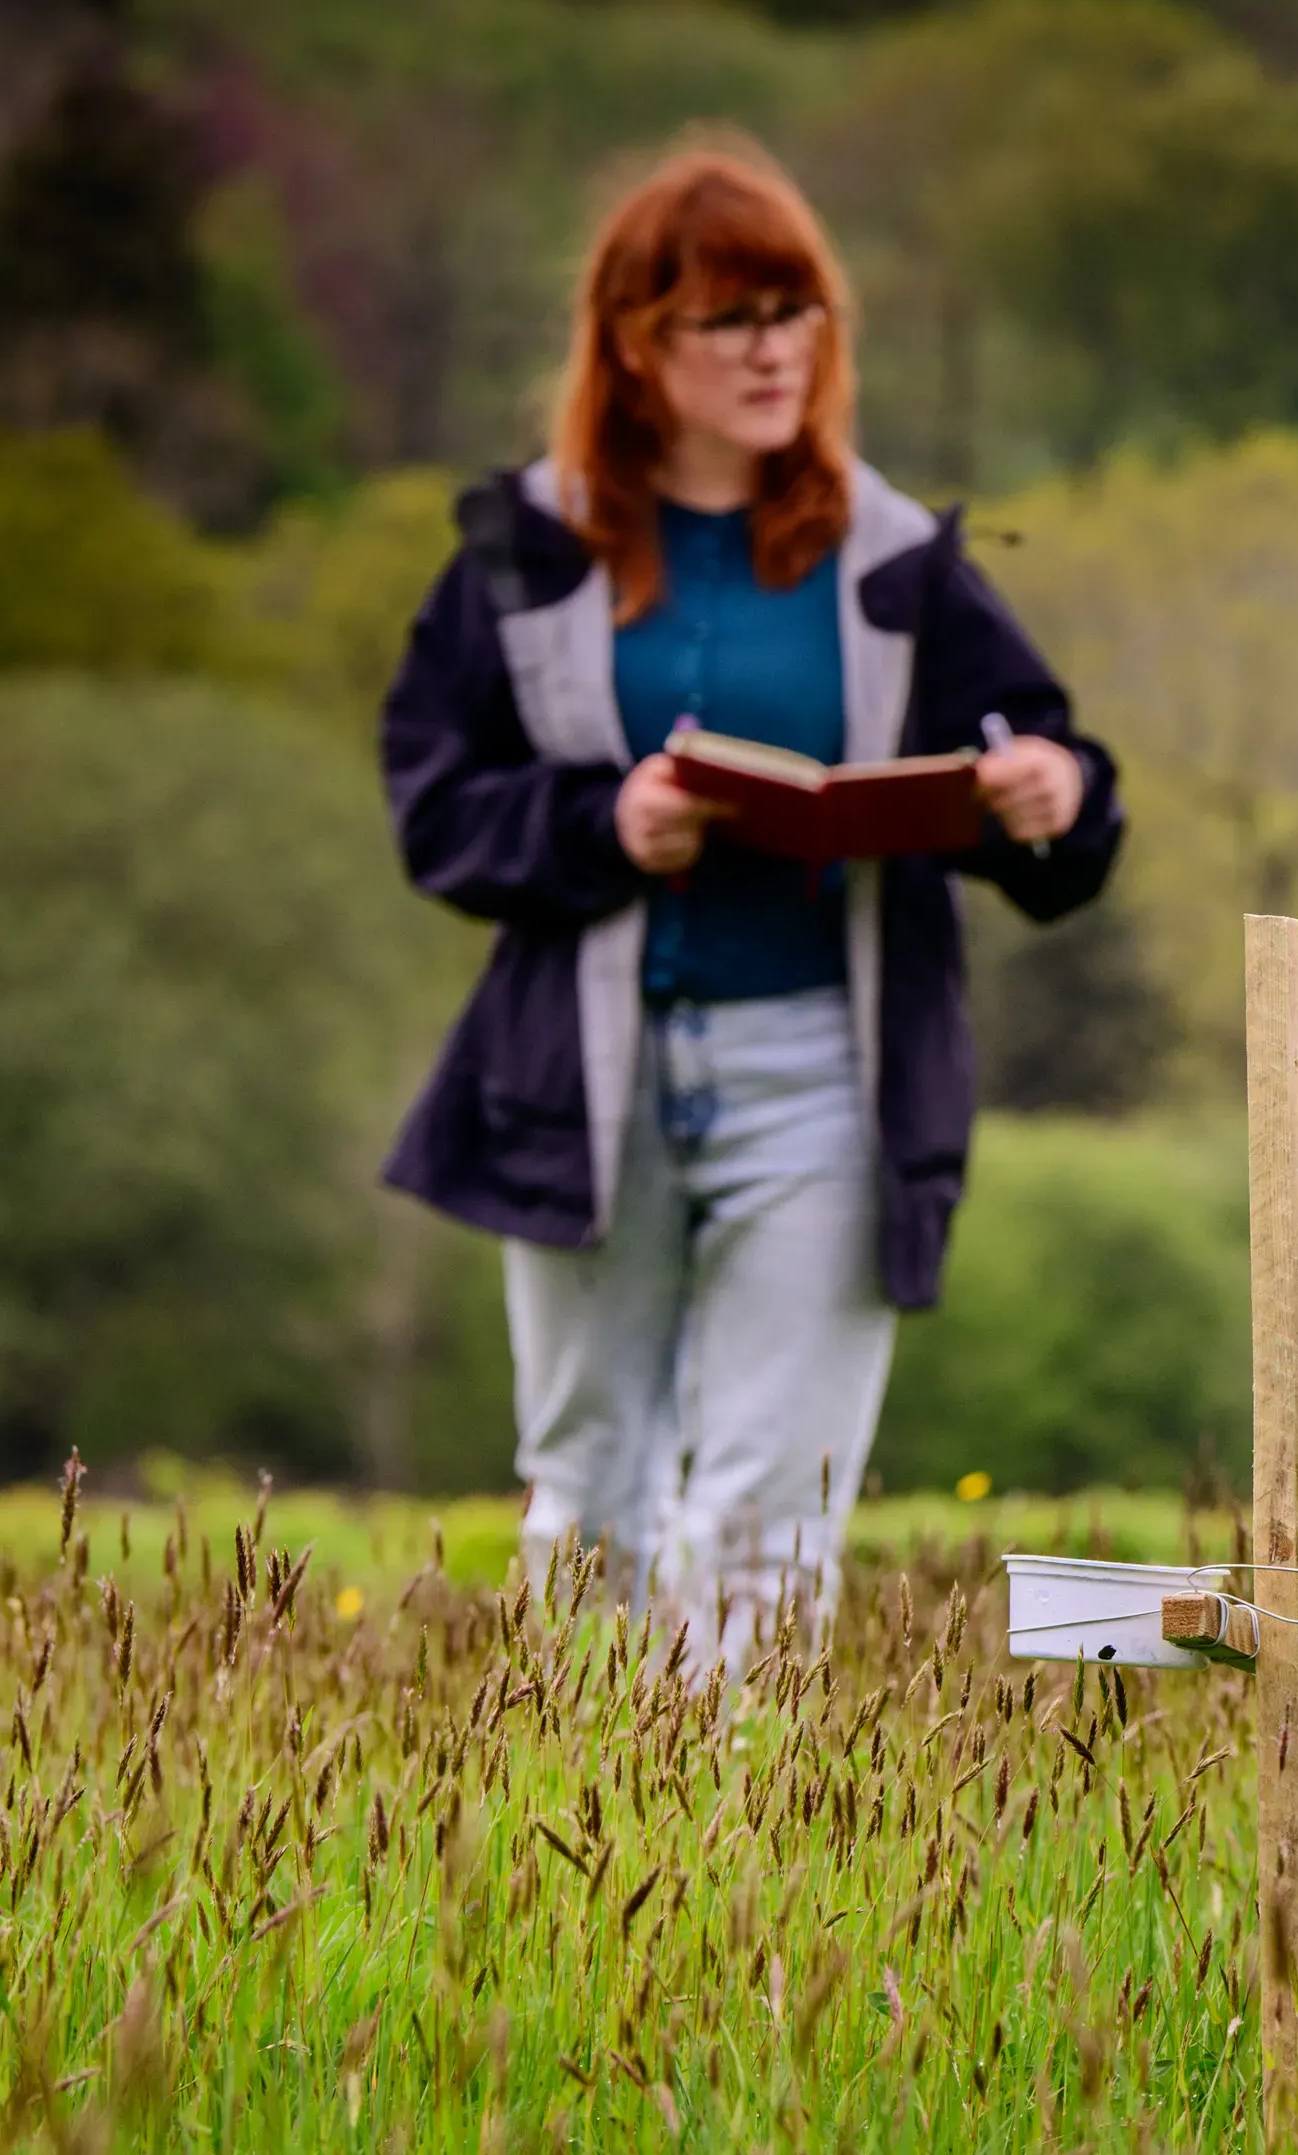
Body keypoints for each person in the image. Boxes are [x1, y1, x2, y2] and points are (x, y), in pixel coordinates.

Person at [380, 140, 1120, 1679]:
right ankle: (574, 1830)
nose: (778, 346)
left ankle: (736, 1845)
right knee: (589, 1486)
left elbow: (1050, 776)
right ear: (636, 341)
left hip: (828, 1081)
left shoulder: (903, 557)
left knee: (772, 1499)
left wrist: (1054, 794)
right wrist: (609, 823)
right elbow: (434, 809)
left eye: (801, 311)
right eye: (733, 317)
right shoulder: (521, 548)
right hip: (583, 1077)